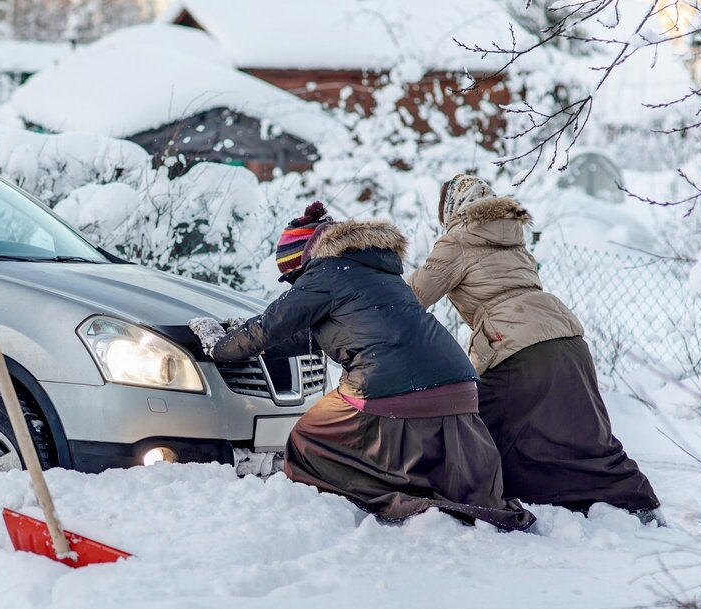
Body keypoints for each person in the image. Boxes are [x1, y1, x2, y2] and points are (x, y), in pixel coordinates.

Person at [190, 202, 535, 532]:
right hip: (457, 385)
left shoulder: (325, 272)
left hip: (389, 386)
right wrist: (240, 333)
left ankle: (369, 497)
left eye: (293, 278)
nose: (297, 285)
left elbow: (271, 326)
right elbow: (308, 335)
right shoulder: (373, 271)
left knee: (309, 435)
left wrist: (219, 346)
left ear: (302, 261)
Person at [409, 174, 661, 518]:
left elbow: (411, 299)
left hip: (518, 346)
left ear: (450, 210)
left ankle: (467, 499)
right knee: (582, 432)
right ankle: (640, 504)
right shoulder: (513, 238)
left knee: (473, 426)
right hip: (567, 339)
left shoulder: (457, 240)